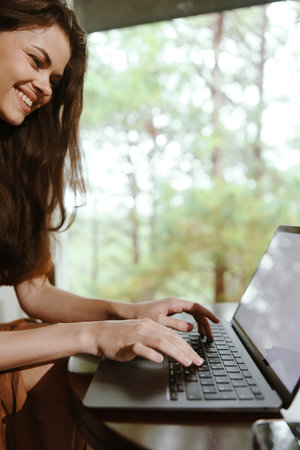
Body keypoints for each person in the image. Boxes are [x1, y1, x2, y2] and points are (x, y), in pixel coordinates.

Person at [0, 0, 220, 448]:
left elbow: (34, 291)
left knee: (77, 369)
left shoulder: (15, 160)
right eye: (36, 61)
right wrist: (94, 334)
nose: (44, 86)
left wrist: (127, 313)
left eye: (54, 81)